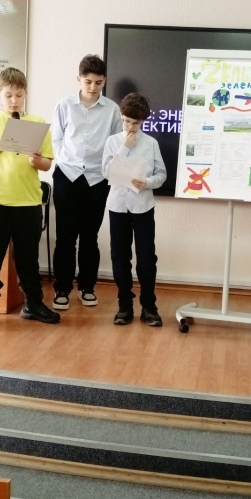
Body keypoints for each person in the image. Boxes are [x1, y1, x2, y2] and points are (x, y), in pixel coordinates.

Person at [0, 67, 60, 330]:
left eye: (19, 95)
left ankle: (32, 304)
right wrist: (0, 142)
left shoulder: (37, 123)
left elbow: (47, 164)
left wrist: (37, 160)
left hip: (28, 201)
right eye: (8, 95)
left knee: (28, 258)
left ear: (25, 94)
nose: (14, 101)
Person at [51, 55, 121, 311]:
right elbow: (56, 139)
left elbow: (115, 144)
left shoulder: (112, 109)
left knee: (90, 237)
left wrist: (107, 171)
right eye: (88, 81)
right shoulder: (64, 104)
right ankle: (62, 289)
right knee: (65, 237)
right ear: (78, 79)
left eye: (98, 82)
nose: (93, 87)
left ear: (105, 81)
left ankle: (87, 288)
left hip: (97, 179)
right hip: (67, 176)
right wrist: (65, 162)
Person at [102, 93, 167, 326]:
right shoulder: (112, 142)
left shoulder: (151, 143)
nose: (130, 126)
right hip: (118, 206)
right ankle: (124, 306)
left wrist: (146, 182)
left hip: (143, 206)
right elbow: (106, 172)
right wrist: (124, 148)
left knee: (146, 258)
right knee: (120, 257)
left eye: (135, 123)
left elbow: (161, 175)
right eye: (126, 121)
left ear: (143, 121)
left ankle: (149, 306)